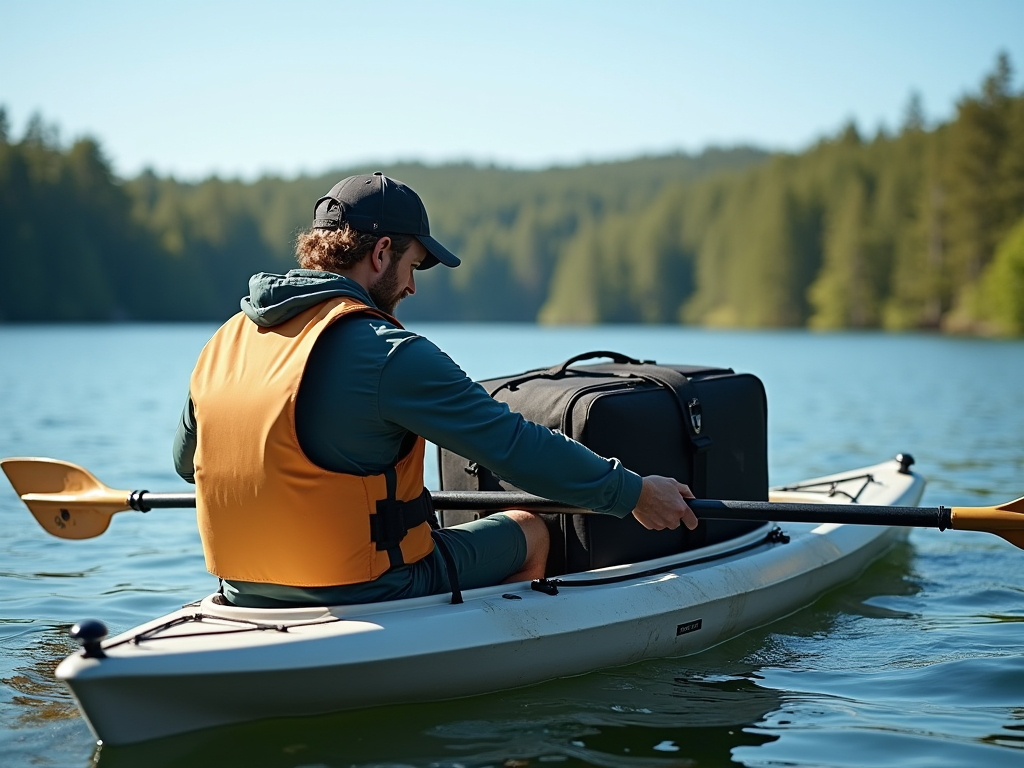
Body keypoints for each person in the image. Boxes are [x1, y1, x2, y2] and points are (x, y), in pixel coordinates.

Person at [173, 172, 697, 608]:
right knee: (529, 526)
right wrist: (633, 493)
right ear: (381, 253)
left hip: (241, 594)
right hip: (370, 590)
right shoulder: (388, 351)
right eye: (414, 265)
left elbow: (186, 463)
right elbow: (514, 447)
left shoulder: (226, 340)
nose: (412, 286)